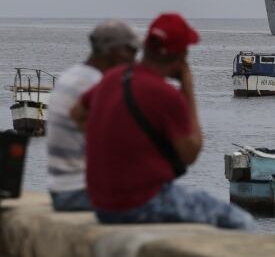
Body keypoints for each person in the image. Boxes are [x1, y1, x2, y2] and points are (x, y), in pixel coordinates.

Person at [71, 13, 253, 229]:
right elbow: (190, 153)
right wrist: (187, 88)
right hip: (142, 204)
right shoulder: (166, 95)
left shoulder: (115, 76)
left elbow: (76, 113)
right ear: (181, 55)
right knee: (243, 222)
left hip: (102, 204)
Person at [47, 20, 140, 211]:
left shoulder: (70, 75)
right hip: (82, 192)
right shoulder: (98, 84)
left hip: (61, 188)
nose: (135, 60)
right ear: (116, 52)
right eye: (132, 51)